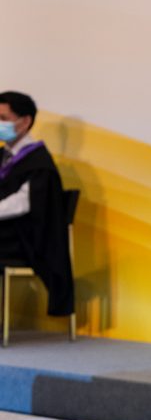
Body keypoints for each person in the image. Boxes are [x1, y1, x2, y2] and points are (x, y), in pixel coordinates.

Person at [0, 91, 74, 317]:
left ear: (25, 122)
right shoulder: (3, 156)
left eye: (3, 118)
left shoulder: (38, 160)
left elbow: (22, 203)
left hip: (24, 236)